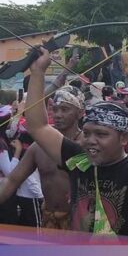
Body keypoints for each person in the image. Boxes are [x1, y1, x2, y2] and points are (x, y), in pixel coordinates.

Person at [24, 44, 128, 237]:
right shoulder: (79, 160)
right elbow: (38, 127)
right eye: (86, 133)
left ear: (124, 138)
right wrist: (37, 73)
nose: (90, 140)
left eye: (101, 134)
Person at [0, 85, 85, 230]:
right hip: (49, 220)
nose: (57, 115)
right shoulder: (39, 147)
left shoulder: (88, 146)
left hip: (79, 221)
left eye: (65, 109)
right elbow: (12, 180)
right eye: (55, 109)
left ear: (80, 113)